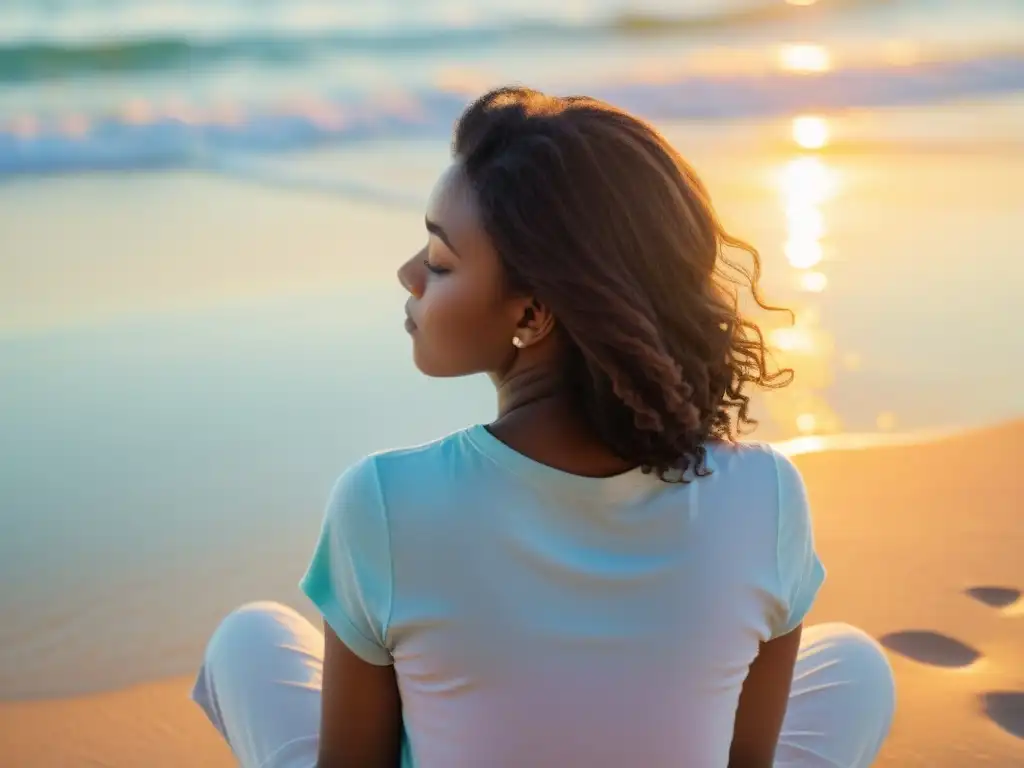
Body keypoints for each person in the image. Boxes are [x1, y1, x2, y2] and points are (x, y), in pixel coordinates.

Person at [191, 87, 895, 767]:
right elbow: (745, 759)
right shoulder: (766, 492)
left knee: (248, 638)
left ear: (531, 316)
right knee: (855, 664)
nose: (409, 274)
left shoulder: (383, 501)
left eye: (439, 260)